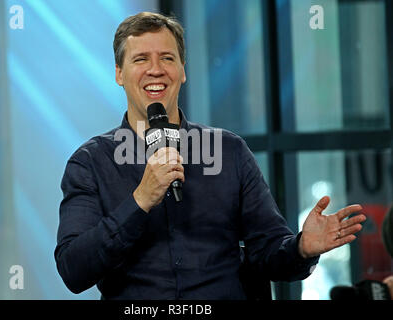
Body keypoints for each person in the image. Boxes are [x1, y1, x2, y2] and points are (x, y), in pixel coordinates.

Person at [54, 12, 366, 299]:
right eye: (140, 59)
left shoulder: (229, 152)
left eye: (167, 58)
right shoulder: (90, 163)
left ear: (182, 71)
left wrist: (302, 248)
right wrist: (140, 201)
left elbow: (270, 252)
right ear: (120, 73)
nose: (156, 69)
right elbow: (74, 269)